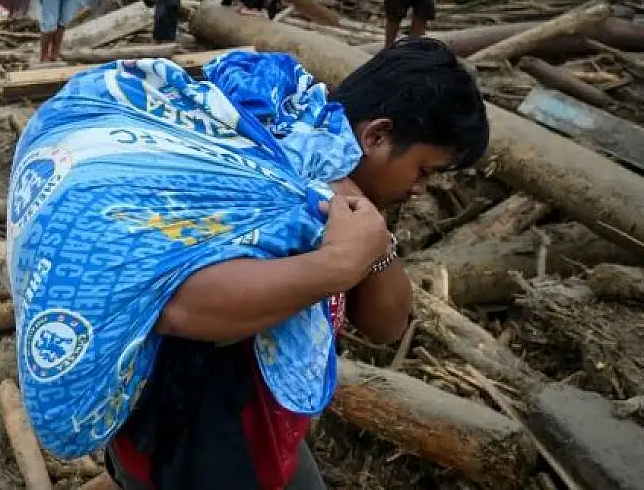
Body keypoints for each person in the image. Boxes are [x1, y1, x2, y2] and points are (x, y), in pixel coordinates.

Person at [104, 38, 490, 490]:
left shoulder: (348, 199)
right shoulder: (277, 183)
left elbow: (386, 325)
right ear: (377, 135)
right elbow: (180, 307)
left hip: (263, 426)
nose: (422, 189)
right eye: (424, 171)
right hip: (192, 434)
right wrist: (339, 265)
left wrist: (370, 239)